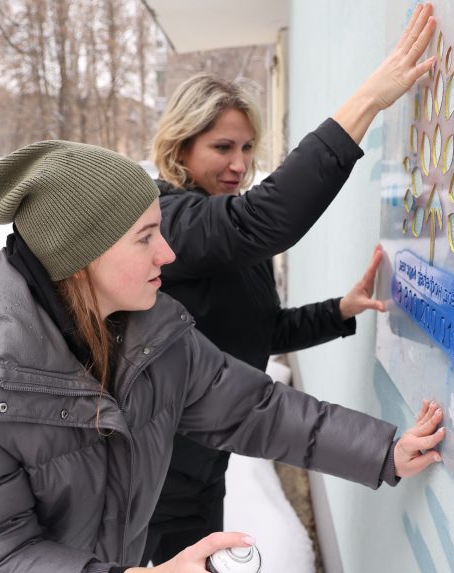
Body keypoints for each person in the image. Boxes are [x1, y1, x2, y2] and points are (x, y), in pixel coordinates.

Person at [0, 6, 440, 573]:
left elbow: (257, 408)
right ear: (81, 257)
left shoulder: (150, 334)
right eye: (147, 237)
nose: (168, 255)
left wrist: (383, 451)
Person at [144, 2, 438, 565]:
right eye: (222, 147)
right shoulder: (170, 218)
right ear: (181, 148)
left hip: (207, 462)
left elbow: (261, 330)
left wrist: (339, 311)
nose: (239, 164)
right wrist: (368, 101)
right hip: (157, 479)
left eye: (248, 147)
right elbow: (266, 219)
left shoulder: (224, 226)